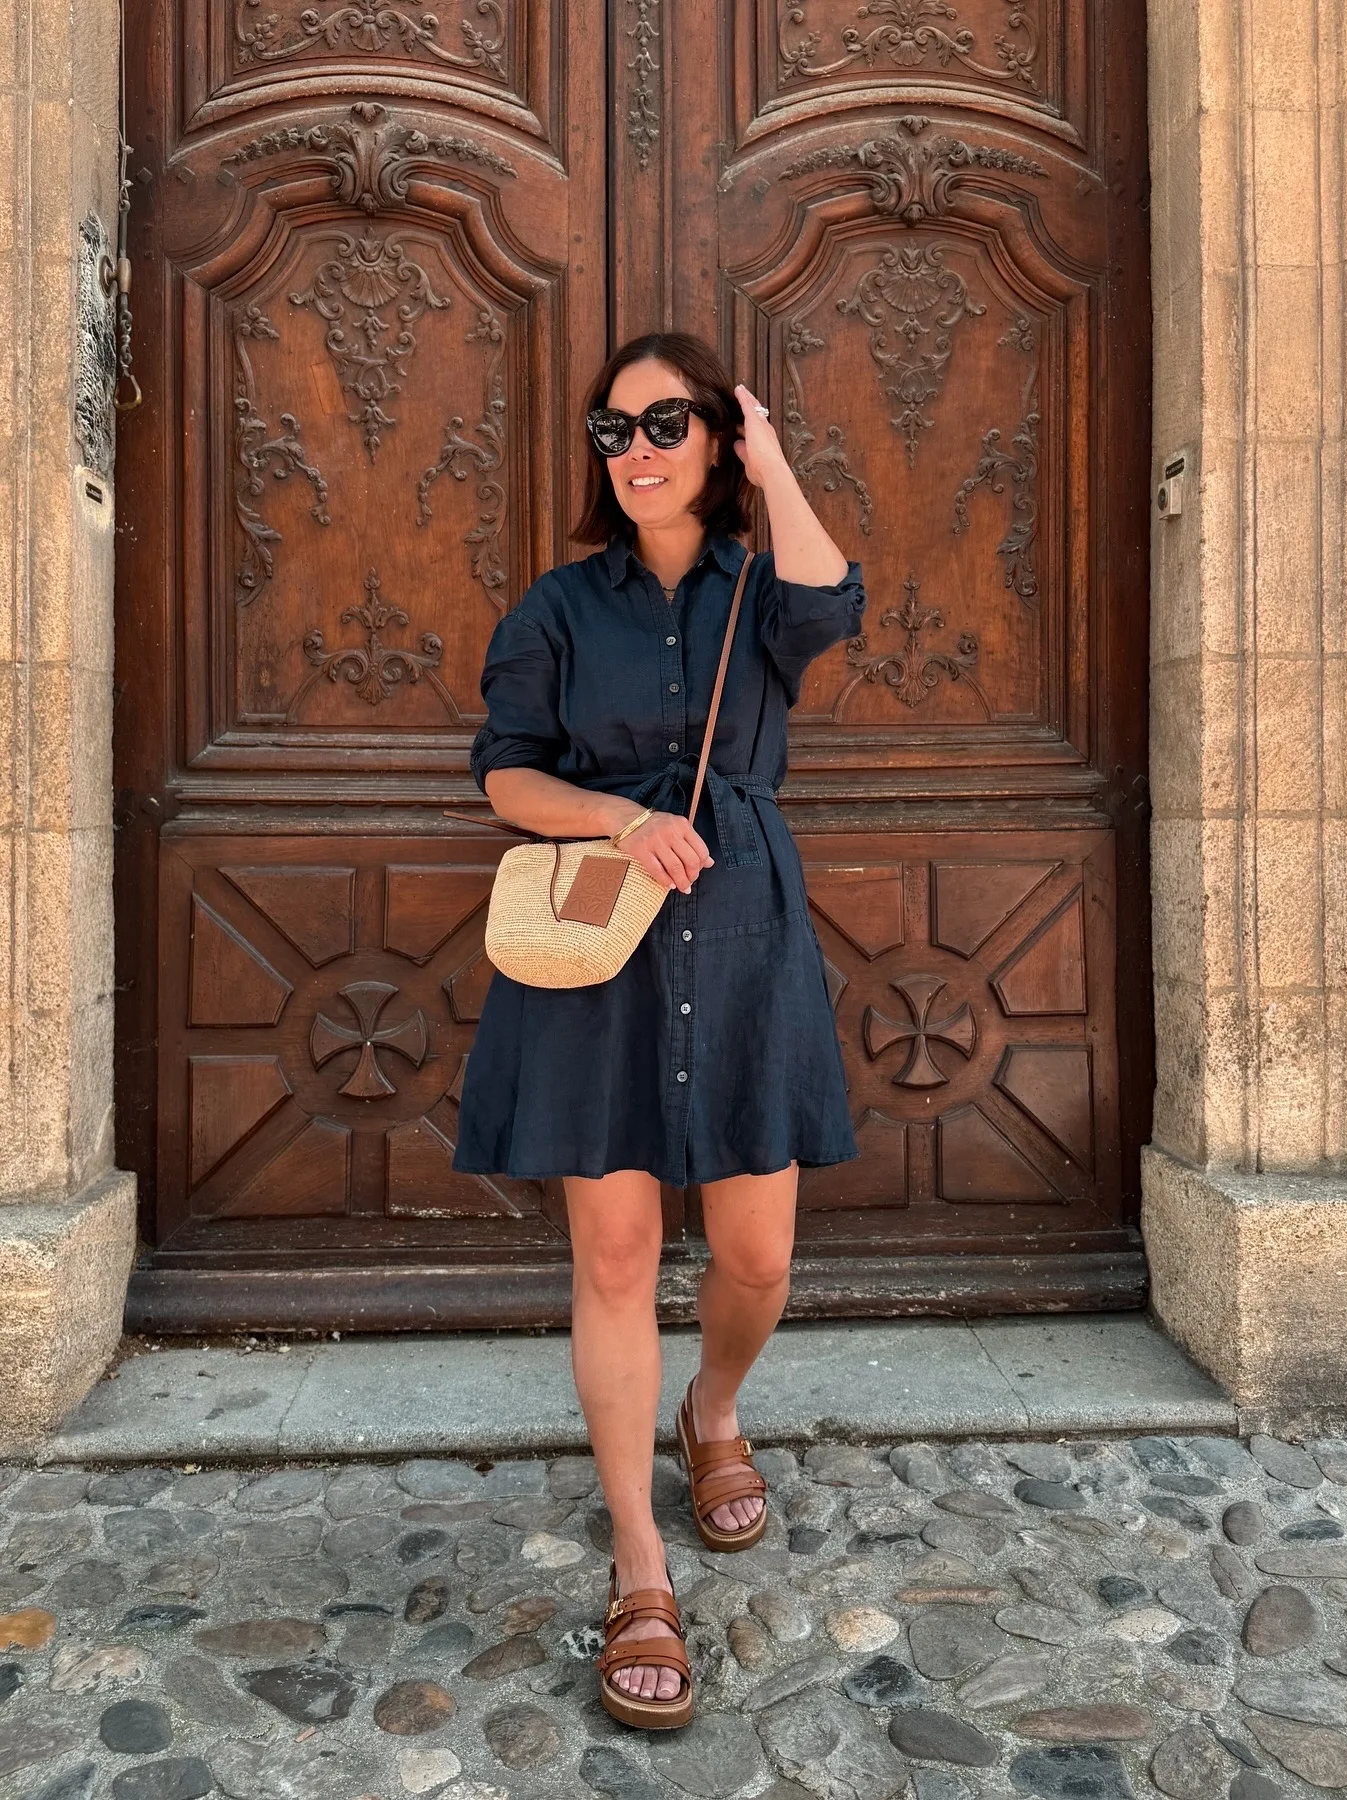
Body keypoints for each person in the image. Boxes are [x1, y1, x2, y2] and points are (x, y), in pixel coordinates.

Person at [454, 331, 866, 1728]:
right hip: (602, 949)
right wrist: (621, 818)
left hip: (745, 937)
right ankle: (639, 1555)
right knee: (618, 1254)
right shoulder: (561, 607)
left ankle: (716, 1409)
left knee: (758, 1254)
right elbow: (506, 775)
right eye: (613, 431)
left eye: (664, 424)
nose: (635, 451)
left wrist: (772, 457)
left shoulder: (761, 589)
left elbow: (835, 599)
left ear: (714, 440)